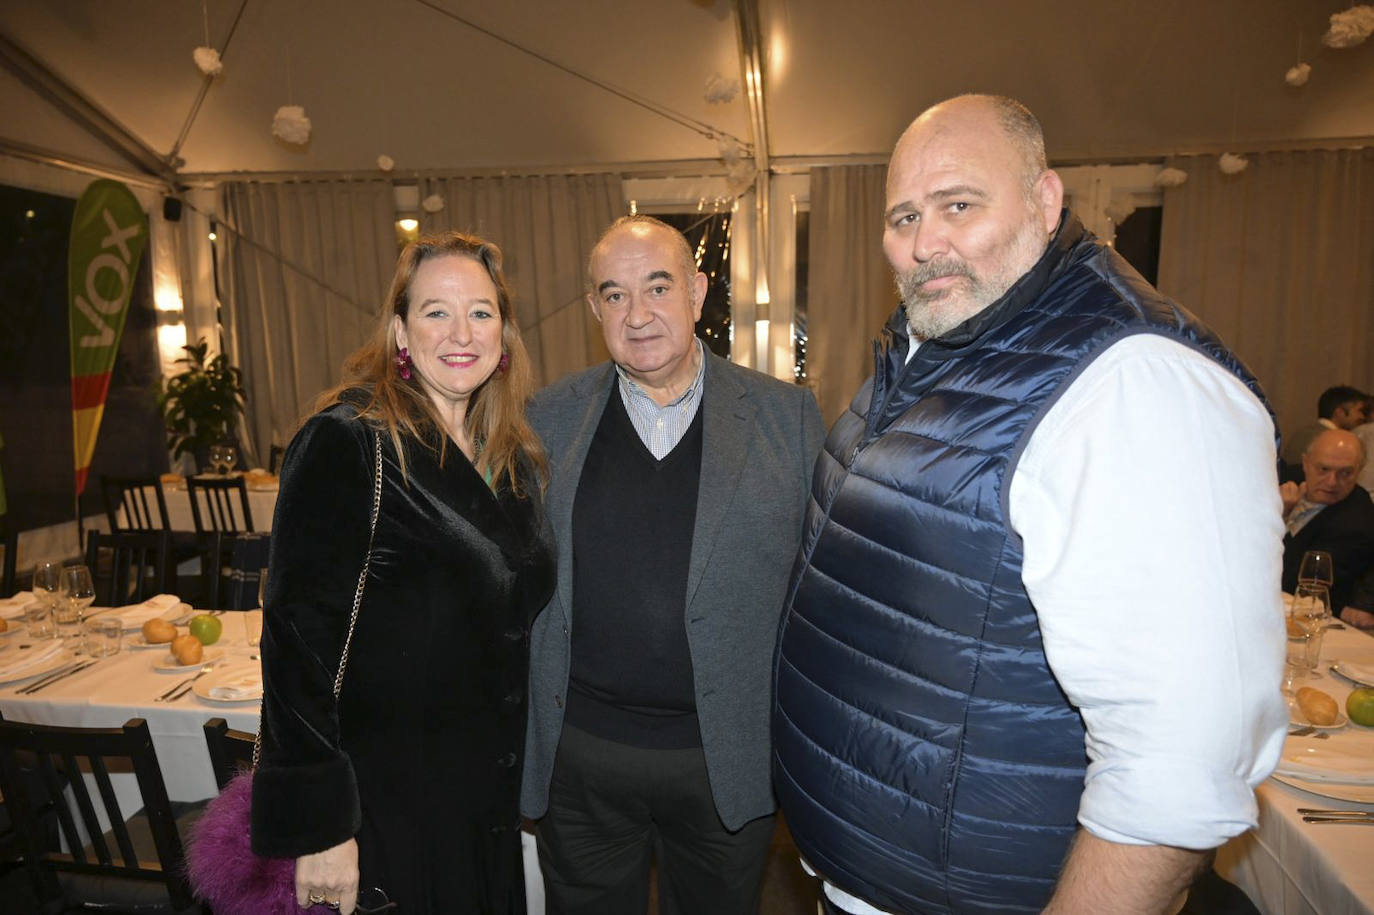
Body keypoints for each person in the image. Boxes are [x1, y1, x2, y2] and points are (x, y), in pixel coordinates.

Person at [773, 95, 1287, 914]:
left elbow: (1180, 765)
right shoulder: (942, 340)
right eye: (903, 216)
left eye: (958, 205)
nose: (924, 242)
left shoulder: (1134, 383)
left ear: (1046, 202)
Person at [521, 215, 824, 914]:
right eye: (615, 294)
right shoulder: (546, 418)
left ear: (697, 290)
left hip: (725, 764)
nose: (638, 313)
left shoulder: (788, 418)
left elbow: (820, 597)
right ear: (594, 308)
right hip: (584, 759)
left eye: (657, 286)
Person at [252, 231, 556, 914]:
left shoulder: (510, 456)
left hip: (485, 800)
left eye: (480, 312)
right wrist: (324, 825)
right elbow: (296, 642)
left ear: (504, 334)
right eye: (435, 311)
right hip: (386, 808)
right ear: (398, 330)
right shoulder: (350, 440)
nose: (460, 332)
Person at [1281, 428, 1374, 618]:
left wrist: (1277, 517)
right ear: (1306, 463)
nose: (1332, 482)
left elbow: (1291, 581)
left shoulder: (1355, 523)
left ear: (1359, 472)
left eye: (1346, 473)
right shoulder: (1287, 477)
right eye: (1323, 469)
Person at [1281, 384, 1369, 468]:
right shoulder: (1335, 442)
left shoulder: (1301, 433)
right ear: (1340, 412)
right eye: (1360, 411)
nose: (1363, 417)